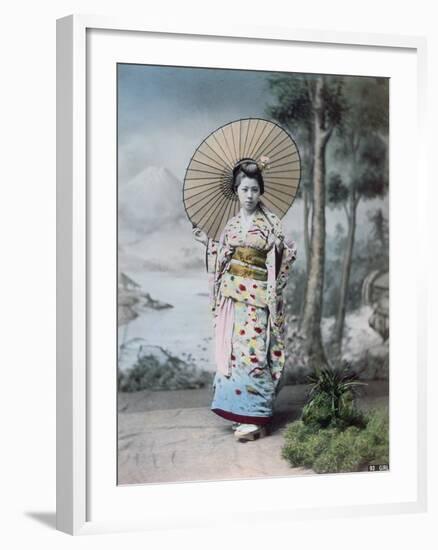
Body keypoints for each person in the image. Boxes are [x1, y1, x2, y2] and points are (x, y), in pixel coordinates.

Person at [193, 158, 297, 441]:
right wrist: (208, 243)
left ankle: (256, 415)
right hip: (233, 297)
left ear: (260, 191)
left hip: (259, 298)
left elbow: (288, 255)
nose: (249, 195)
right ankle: (240, 413)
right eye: (244, 190)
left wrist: (278, 250)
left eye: (254, 189)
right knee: (235, 354)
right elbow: (224, 255)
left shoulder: (271, 223)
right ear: (236, 192)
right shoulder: (232, 225)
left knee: (254, 354)